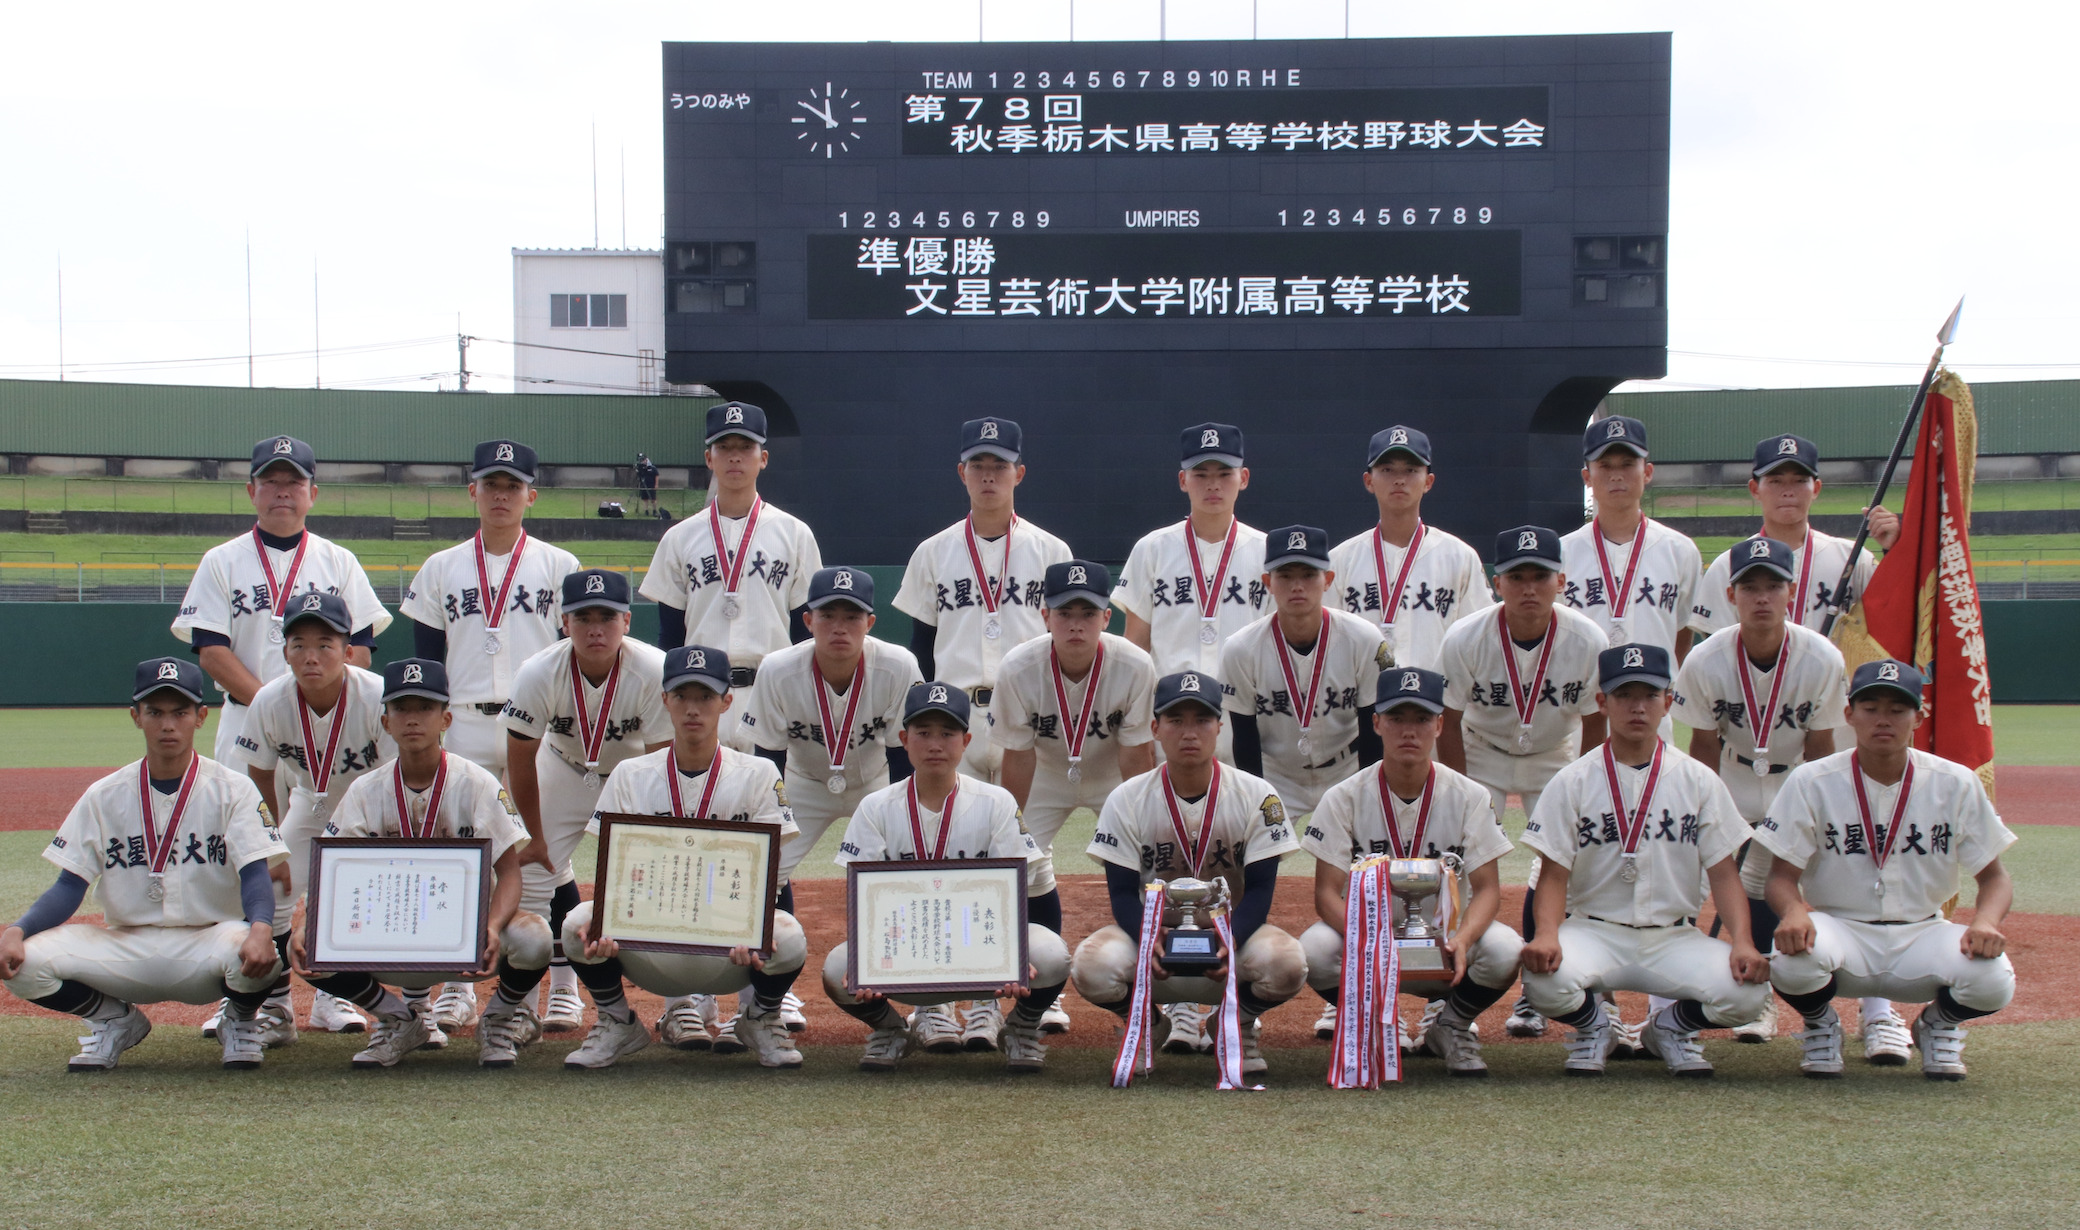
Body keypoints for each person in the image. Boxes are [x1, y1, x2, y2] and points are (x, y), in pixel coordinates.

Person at [1687, 432, 1911, 1060]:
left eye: (1799, 479)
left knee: (1844, 869)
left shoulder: (1853, 556)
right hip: (1737, 757)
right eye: (1775, 478)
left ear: (1816, 487)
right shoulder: (1723, 567)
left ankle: (1879, 1009)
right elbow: (1708, 660)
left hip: (1819, 745)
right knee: (1730, 872)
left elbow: (1903, 616)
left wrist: (1895, 547)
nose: (1788, 489)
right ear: (1755, 487)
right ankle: (1754, 998)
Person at [0, 658, 286, 1071]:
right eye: (154, 712)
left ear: (201, 717)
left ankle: (239, 1020)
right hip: (125, 945)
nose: (167, 724)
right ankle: (114, 1020)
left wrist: (260, 927)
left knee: (265, 952)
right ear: (136, 717)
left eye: (179, 712)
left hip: (209, 943)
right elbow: (69, 885)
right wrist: (17, 929)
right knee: (22, 962)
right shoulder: (104, 794)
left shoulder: (232, 789)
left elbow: (255, 873)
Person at [1518, 644, 1770, 1077]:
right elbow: (1553, 874)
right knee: (1543, 981)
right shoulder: (1573, 780)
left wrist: (1743, 941)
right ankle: (1596, 1027)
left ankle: (1669, 1028)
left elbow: (1724, 875)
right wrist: (1546, 933)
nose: (1637, 707)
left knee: (1748, 996)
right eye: (1624, 695)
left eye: (1650, 695)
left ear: (1668, 702)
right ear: (1602, 703)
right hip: (1593, 930)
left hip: (1673, 937)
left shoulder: (1697, 779)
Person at [1758, 660, 2017, 1081]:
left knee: (1993, 979)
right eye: (1870, 707)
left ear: (1919, 716)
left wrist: (1985, 921)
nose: (1883, 719)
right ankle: (1822, 1023)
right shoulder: (1812, 780)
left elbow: (1995, 878)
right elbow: (1781, 878)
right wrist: (1793, 912)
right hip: (1841, 930)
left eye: (1898, 710)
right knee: (1794, 960)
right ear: (1849, 714)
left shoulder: (1954, 781)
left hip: (1923, 932)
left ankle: (1937, 1024)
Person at [399, 439, 582, 1035]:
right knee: (459, 850)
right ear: (472, 492)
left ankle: (563, 987)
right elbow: (426, 663)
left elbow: (573, 654)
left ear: (532, 494)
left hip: (540, 725)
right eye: (490, 484)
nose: (501, 494)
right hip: (464, 721)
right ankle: (456, 987)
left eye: (513, 485)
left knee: (545, 854)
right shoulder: (441, 567)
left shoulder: (560, 566)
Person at [290, 659, 553, 1069]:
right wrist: (309, 922)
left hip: (465, 934)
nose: (413, 719)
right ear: (386, 722)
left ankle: (497, 1018)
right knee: (305, 945)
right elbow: (331, 871)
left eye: (424, 708)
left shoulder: (477, 783)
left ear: (445, 718)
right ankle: (397, 1019)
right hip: (387, 931)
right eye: (402, 709)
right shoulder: (365, 791)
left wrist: (492, 925)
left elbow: (510, 873)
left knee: (536, 938)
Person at [560, 645, 810, 1072]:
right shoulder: (630, 775)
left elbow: (775, 871)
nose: (693, 709)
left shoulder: (759, 773)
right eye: (681, 697)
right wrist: (608, 919)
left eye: (706, 697)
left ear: (726, 702)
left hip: (731, 952)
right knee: (576, 924)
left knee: (788, 936)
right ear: (665, 700)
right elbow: (612, 866)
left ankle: (759, 1016)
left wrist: (746, 923)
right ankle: (618, 1020)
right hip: (649, 950)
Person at [822, 683, 1069, 1074]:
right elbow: (862, 898)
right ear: (904, 740)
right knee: (839, 968)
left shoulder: (996, 802)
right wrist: (868, 961)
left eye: (947, 733)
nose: (935, 743)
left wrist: (1012, 955)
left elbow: (1017, 890)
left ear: (966, 741)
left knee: (1050, 953)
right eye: (923, 733)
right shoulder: (875, 807)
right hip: (911, 945)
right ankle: (891, 1029)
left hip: (980, 949)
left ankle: (1020, 1026)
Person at [1071, 671, 1307, 1079]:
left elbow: (1262, 889)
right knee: (1090, 967)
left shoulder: (1257, 795)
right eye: (1176, 720)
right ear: (1155, 729)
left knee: (1288, 964)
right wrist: (1150, 939)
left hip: (1233, 933)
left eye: (1201, 720)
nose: (1189, 732)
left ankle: (1236, 1022)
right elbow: (1123, 894)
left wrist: (1229, 940)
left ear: (1219, 726)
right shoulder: (1127, 798)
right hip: (1152, 934)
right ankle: (1144, 1021)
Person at [1298, 668, 1523, 1070]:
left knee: (1505, 950)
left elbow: (1489, 889)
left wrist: (1465, 940)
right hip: (1370, 935)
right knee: (1312, 952)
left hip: (1445, 937)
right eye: (1397, 718)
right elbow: (1326, 895)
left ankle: (1451, 1025)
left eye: (1421, 719)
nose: (1409, 731)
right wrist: (1369, 940)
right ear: (1377, 723)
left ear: (1439, 725)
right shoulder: (1344, 797)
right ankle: (1380, 1019)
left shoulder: (1470, 796)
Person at [1670, 536, 1847, 1042]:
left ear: (1792, 593)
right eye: (1751, 587)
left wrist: (1818, 813)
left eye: (1774, 586)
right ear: (1731, 595)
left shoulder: (1821, 657)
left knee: (1777, 881)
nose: (1762, 597)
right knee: (1713, 876)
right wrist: (1714, 814)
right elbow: (1702, 745)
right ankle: (1735, 992)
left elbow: (1822, 746)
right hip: (1733, 775)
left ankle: (1794, 999)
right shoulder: (1705, 660)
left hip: (1796, 777)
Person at [1435, 526, 1606, 1041]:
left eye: (1540, 576)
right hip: (1481, 751)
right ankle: (1444, 979)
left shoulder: (1586, 639)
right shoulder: (1466, 637)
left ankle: (1546, 991)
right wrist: (1460, 795)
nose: (1529, 588)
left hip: (1556, 755)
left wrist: (1590, 792)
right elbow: (1447, 717)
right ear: (1497, 582)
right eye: (1517, 577)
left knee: (1568, 861)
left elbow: (1596, 724)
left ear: (1561, 580)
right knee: (1455, 860)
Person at [738, 565, 922, 1038]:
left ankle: (928, 997)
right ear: (808, 620)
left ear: (870, 623)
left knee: (913, 863)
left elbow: (906, 753)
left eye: (852, 616)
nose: (840, 626)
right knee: (765, 869)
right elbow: (767, 761)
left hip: (875, 778)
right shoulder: (779, 669)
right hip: (801, 782)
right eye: (828, 615)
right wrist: (771, 827)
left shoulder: (898, 665)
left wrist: (905, 819)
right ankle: (768, 998)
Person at [989, 559, 1158, 1034]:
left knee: (1148, 861)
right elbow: (1018, 758)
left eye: (1088, 613)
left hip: (1112, 774)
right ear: (1046, 616)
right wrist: (1012, 828)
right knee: (1013, 862)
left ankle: (1160, 985)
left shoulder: (1133, 664)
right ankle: (1038, 988)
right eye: (1065, 613)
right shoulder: (1020, 667)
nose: (1076, 624)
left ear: (1107, 617)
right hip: (1043, 772)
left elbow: (1137, 755)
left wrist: (1137, 828)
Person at [501, 569, 670, 1033]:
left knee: (666, 874)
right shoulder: (539, 671)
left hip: (632, 773)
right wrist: (533, 836)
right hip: (562, 766)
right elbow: (520, 759)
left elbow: (662, 764)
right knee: (536, 874)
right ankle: (542, 999)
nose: (595, 628)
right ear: (564, 622)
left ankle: (680, 1006)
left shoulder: (653, 670)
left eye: (607, 617)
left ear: (627, 622)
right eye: (583, 617)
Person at [172, 434, 390, 767]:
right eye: (270, 481)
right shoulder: (221, 561)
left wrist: (313, 703)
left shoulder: (340, 561)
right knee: (245, 817)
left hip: (325, 722)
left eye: (294, 482)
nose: (282, 491)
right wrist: (273, 707)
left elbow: (359, 649)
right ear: (251, 492)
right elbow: (212, 653)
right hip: (245, 719)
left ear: (312, 494)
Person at [236, 592, 394, 1043]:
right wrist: (272, 845)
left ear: (348, 651)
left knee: (352, 899)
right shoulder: (269, 700)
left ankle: (334, 997)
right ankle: (276, 1007)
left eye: (324, 644)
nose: (311, 656)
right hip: (311, 800)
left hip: (371, 807)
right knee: (275, 890)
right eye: (298, 644)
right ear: (283, 651)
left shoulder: (377, 695)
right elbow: (260, 777)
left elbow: (392, 780)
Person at [893, 416, 1073, 788]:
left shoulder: (1052, 551)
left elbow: (1064, 641)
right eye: (978, 466)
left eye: (999, 466)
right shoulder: (933, 551)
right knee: (953, 835)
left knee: (1026, 841)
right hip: (954, 713)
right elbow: (922, 644)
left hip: (1027, 712)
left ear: (1019, 473)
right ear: (962, 472)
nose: (988, 476)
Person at [640, 401, 821, 756]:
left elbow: (806, 632)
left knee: (771, 805)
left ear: (763, 458)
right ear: (710, 459)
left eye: (745, 447)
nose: (734, 457)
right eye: (724, 447)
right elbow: (670, 635)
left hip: (771, 691)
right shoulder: (680, 537)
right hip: (701, 694)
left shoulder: (794, 534)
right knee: (703, 803)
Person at [1222, 524, 1389, 816]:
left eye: (1309, 575)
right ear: (1267, 582)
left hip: (1346, 769)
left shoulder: (1363, 638)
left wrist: (1368, 792)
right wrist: (1256, 801)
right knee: (1253, 851)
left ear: (1328, 580)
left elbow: (1373, 729)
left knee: (1362, 856)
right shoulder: (1241, 648)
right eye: (1285, 576)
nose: (1297, 586)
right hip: (1278, 774)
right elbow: (1244, 738)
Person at [1114, 423, 1268, 682]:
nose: (1213, 485)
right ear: (1183, 480)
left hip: (1244, 708)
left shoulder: (1267, 552)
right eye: (1201, 474)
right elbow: (1136, 646)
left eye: (1224, 474)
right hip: (1170, 709)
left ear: (1243, 478)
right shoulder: (1152, 549)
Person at [1328, 426, 1488, 670]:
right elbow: (1328, 643)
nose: (1399, 479)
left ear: (1429, 481)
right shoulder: (1341, 559)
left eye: (1411, 470)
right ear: (1368, 481)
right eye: (1387, 470)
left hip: (1435, 703)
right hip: (1363, 702)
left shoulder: (1460, 557)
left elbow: (1480, 639)